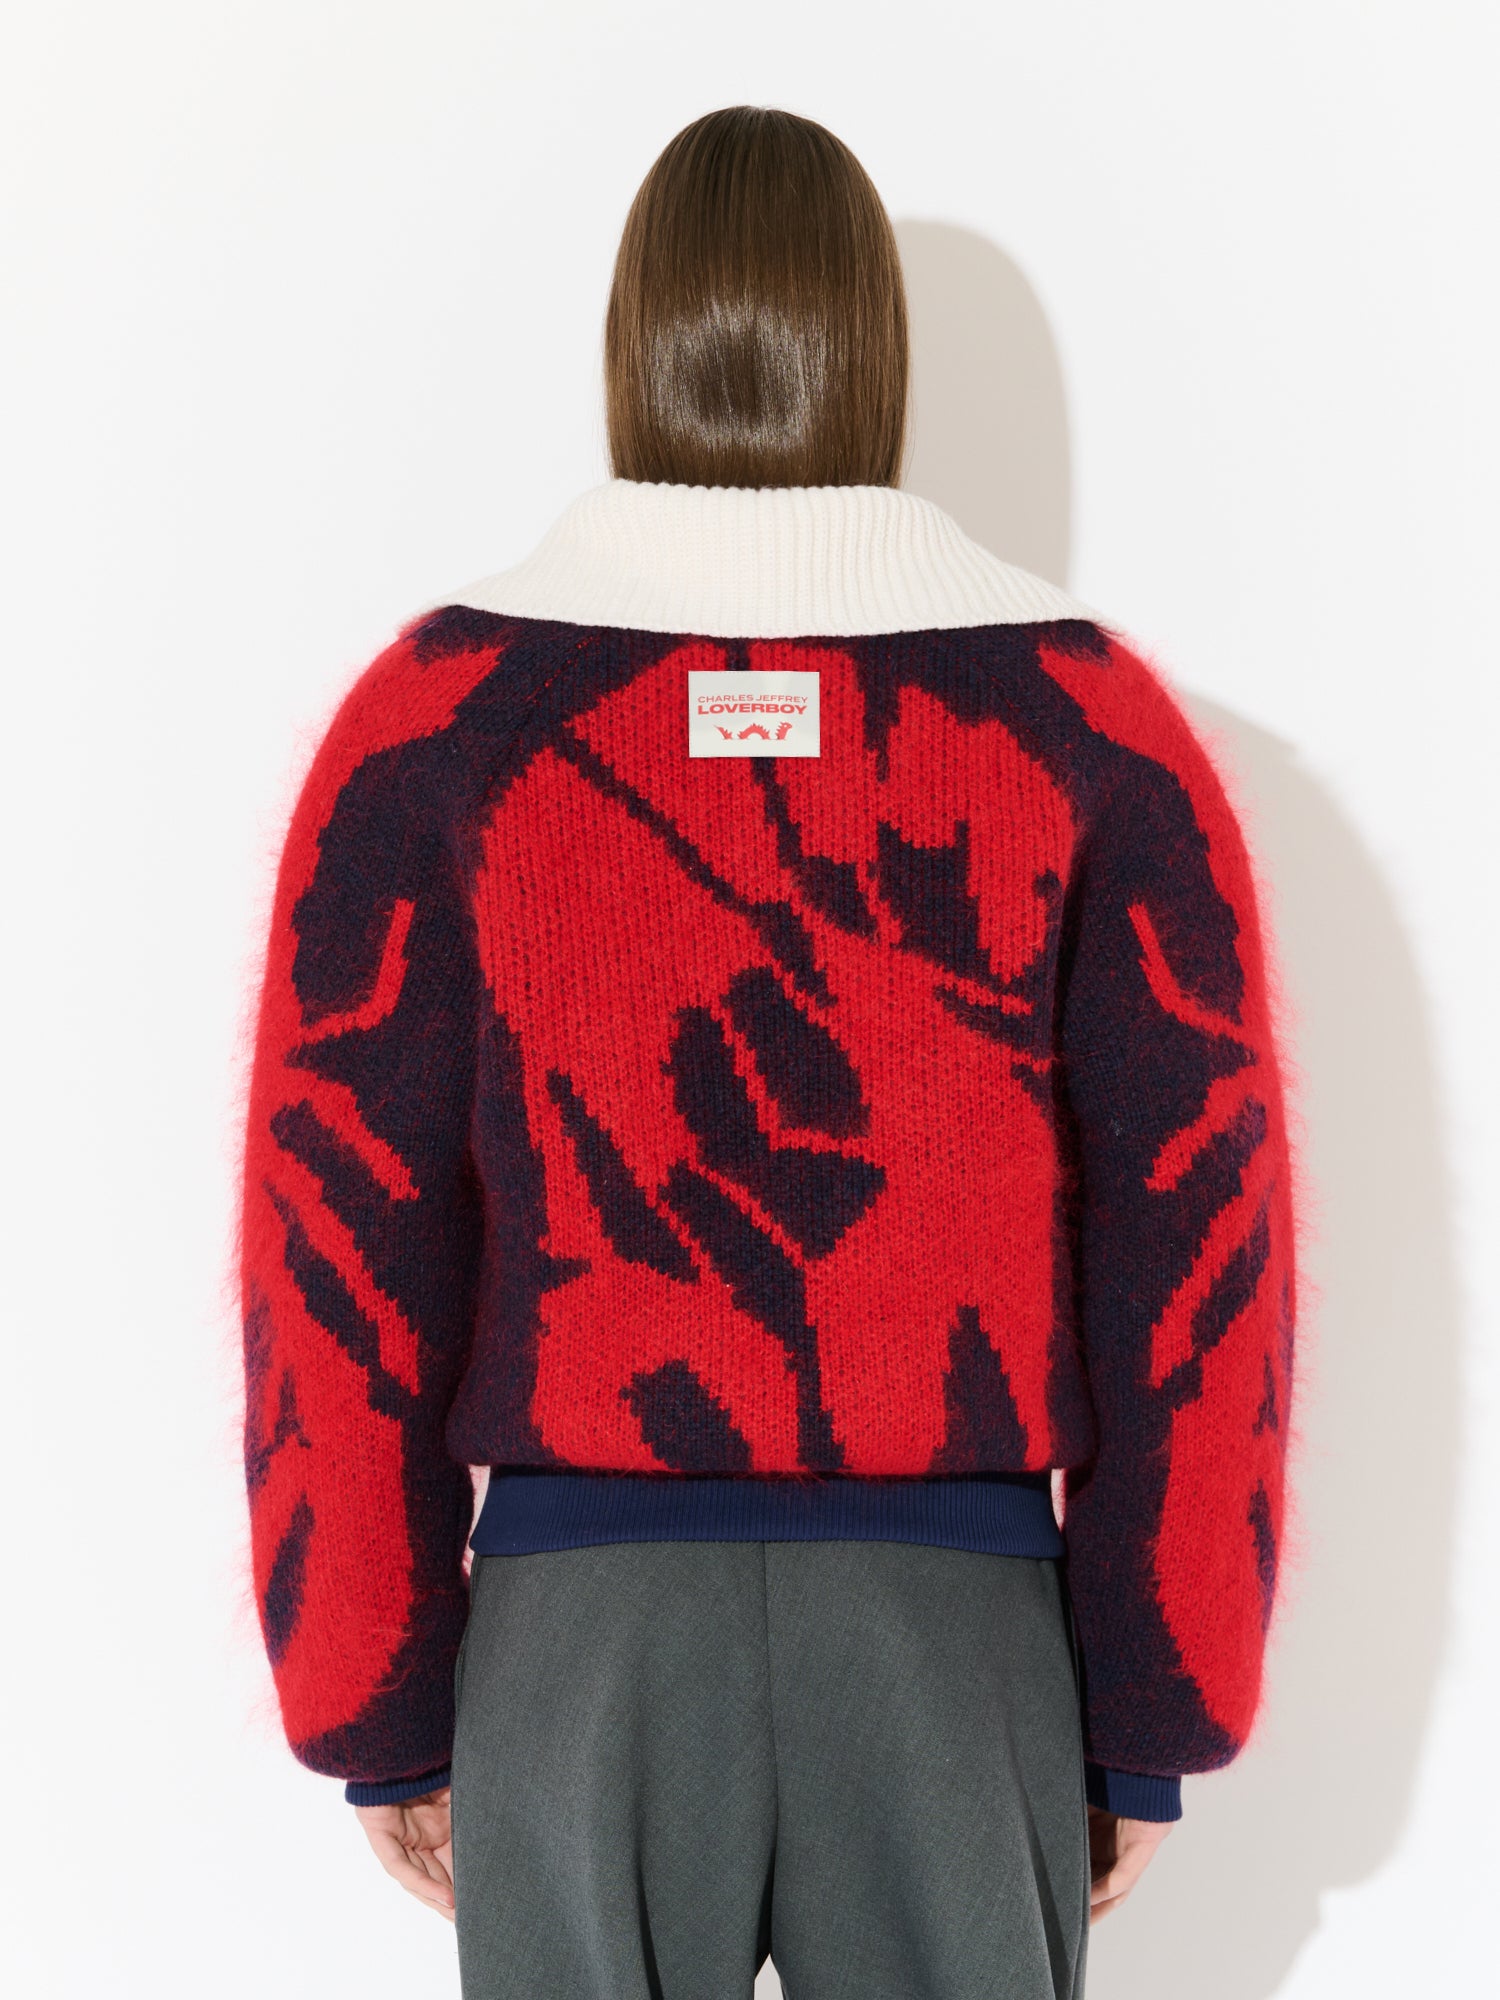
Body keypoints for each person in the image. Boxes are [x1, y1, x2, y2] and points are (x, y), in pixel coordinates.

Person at [238, 105, 1297, 1999]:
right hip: (959, 1634)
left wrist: (376, 1701)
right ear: (880, 349)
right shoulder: (1090, 728)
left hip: (578, 1644)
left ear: (630, 343)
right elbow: (1199, 1243)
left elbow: (338, 1234)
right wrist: (1153, 1705)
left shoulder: (438, 723)